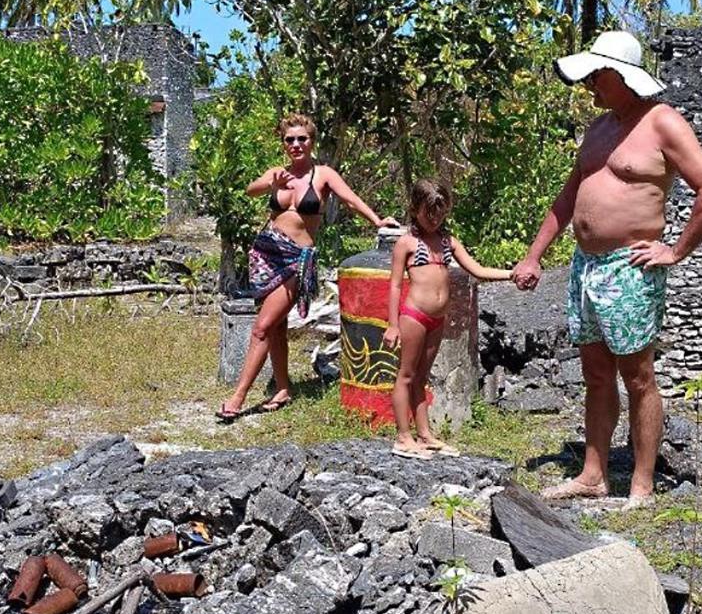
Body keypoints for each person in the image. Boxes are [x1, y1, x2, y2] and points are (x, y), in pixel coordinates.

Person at [512, 31, 702, 506]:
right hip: (586, 266)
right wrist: (534, 254)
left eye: (597, 75)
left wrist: (675, 250)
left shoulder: (662, 123)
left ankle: (643, 484)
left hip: (630, 268)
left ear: (623, 75)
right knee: (594, 372)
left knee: (638, 375)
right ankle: (593, 474)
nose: (590, 85)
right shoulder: (599, 129)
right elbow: (570, 196)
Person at [217, 113, 398, 422]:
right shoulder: (278, 172)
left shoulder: (323, 174)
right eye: (290, 139)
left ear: (312, 141)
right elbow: (251, 189)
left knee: (261, 326)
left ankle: (238, 396)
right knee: (275, 327)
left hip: (296, 259)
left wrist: (377, 220)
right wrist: (272, 184)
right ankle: (284, 388)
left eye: (302, 138)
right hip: (266, 254)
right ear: (283, 143)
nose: (296, 144)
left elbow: (351, 200)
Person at [383, 179, 513, 458]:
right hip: (414, 316)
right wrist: (393, 324)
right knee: (405, 375)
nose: (435, 219)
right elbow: (394, 285)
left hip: (436, 319)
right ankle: (403, 437)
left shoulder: (447, 242)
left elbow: (477, 270)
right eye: (429, 213)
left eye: (440, 213)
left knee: (421, 378)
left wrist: (511, 275)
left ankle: (425, 434)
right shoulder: (407, 243)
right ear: (415, 209)